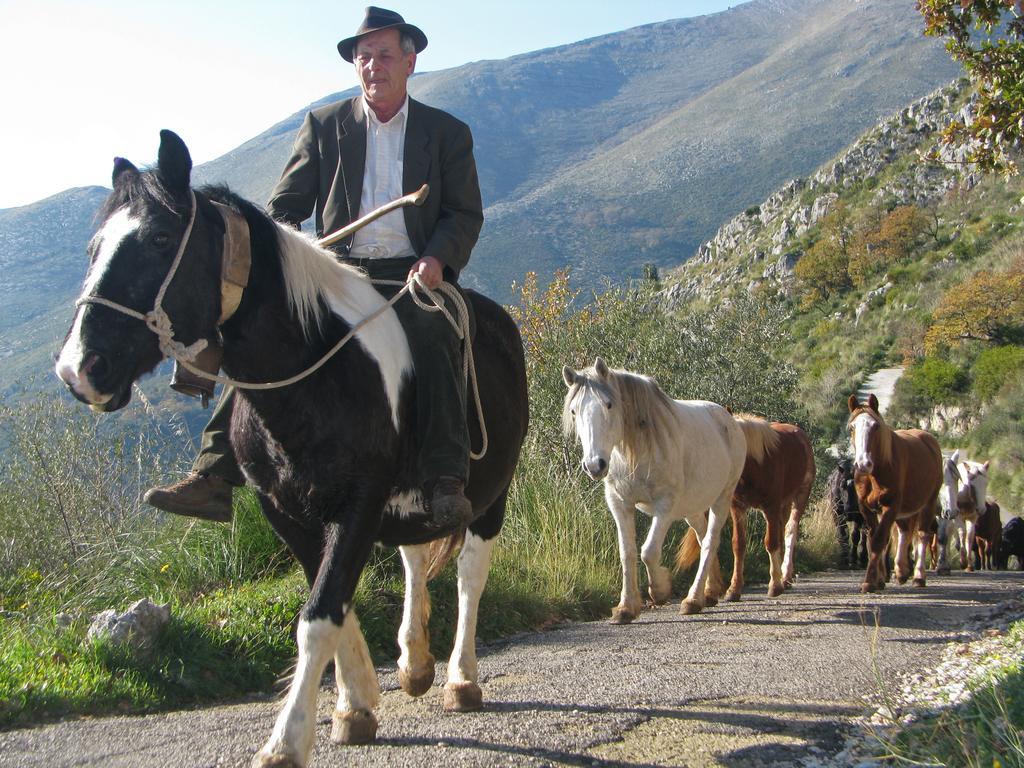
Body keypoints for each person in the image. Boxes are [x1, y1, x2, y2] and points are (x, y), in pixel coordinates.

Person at [145, 6, 483, 529]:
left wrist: (436, 258)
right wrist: (289, 254)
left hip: (411, 275)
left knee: (434, 332)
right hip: (337, 271)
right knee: (255, 333)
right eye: (364, 57)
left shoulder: (446, 133)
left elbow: (463, 213)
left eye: (385, 55)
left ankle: (444, 480)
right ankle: (213, 474)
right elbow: (283, 209)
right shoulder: (323, 126)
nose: (374, 66)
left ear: (410, 61)